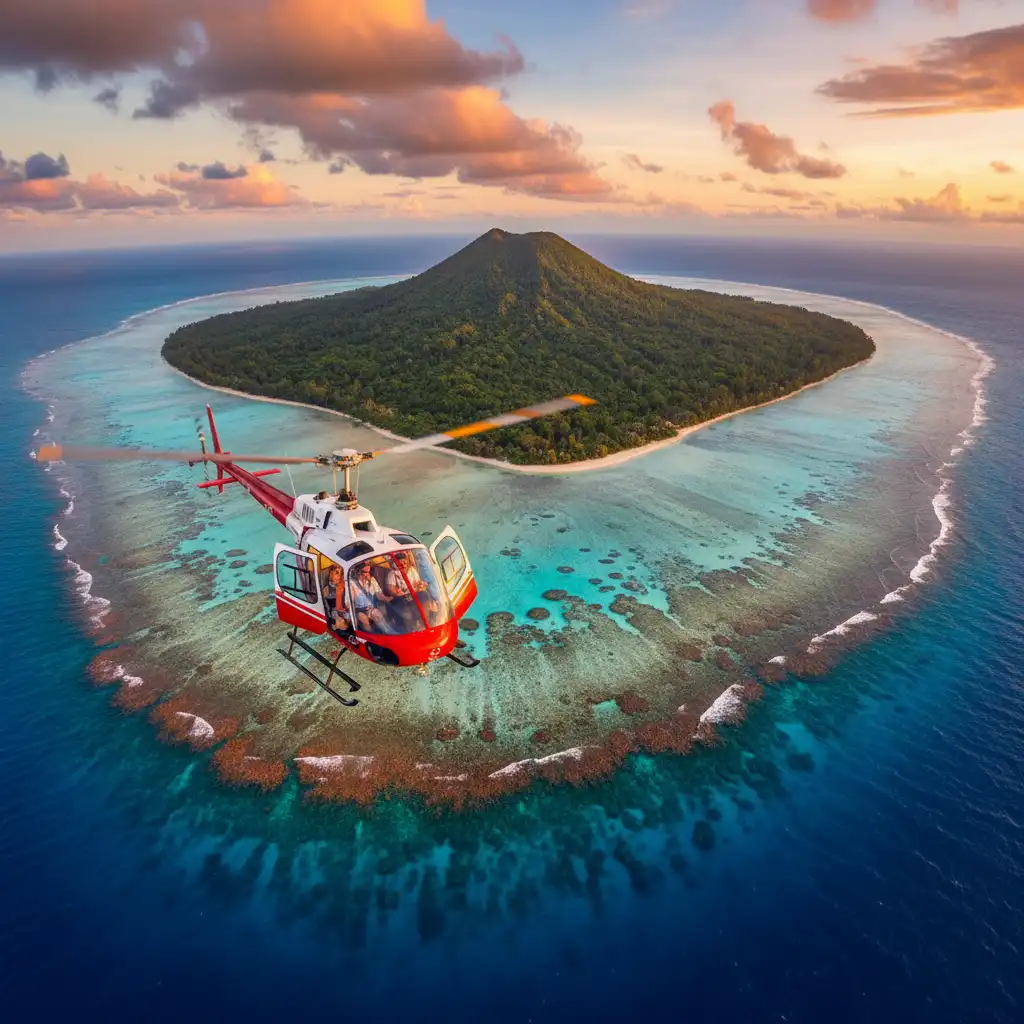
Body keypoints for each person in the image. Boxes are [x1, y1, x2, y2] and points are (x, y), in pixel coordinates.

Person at [349, 560, 392, 633]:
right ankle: (372, 638)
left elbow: (379, 595)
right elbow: (350, 602)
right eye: (365, 571)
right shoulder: (352, 583)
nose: (368, 573)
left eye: (369, 570)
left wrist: (388, 598)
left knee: (377, 614)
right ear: (359, 571)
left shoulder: (372, 580)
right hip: (358, 610)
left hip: (370, 608)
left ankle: (389, 633)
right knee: (365, 620)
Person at [322, 565, 351, 633]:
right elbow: (325, 608)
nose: (339, 576)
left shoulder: (344, 585)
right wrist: (332, 621)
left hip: (345, 613)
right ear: (331, 574)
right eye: (336, 573)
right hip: (335, 616)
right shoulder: (326, 590)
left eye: (341, 574)